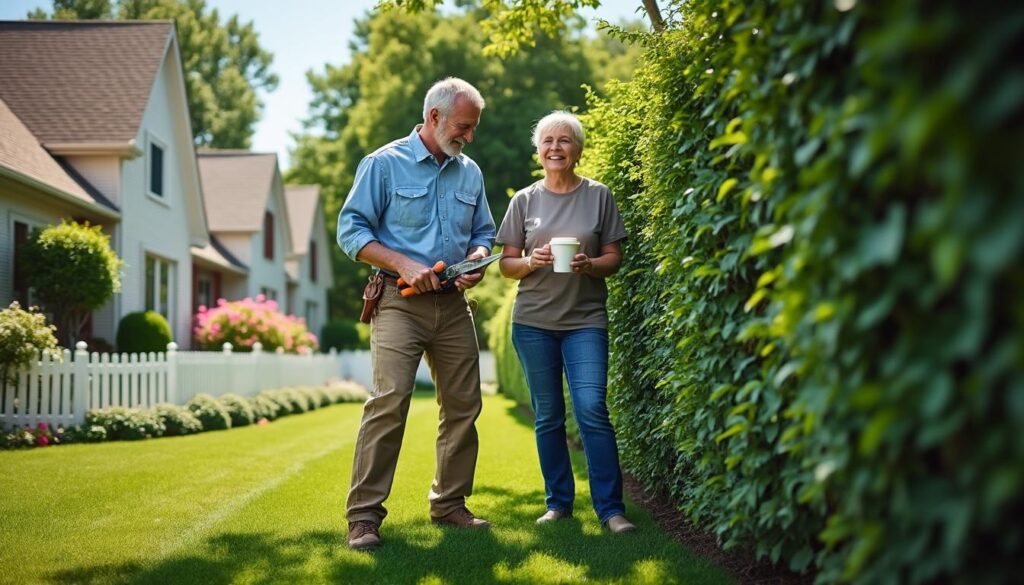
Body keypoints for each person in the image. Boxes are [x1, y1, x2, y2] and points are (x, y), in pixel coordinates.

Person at [337, 77, 496, 551]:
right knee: (389, 401)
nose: (468, 137)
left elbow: (483, 231)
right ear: (434, 118)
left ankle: (449, 503)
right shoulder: (383, 164)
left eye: (472, 129)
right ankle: (363, 517)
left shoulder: (471, 172)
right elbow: (351, 230)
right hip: (396, 299)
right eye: (463, 127)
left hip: (452, 304)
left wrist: (477, 260)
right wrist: (403, 262)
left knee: (465, 404)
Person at [496, 110, 636, 533]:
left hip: (585, 321)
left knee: (593, 408)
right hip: (534, 322)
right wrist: (530, 261)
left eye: (565, 140)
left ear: (578, 149)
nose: (555, 147)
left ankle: (611, 509)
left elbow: (614, 258)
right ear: (538, 151)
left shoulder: (599, 196)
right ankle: (558, 502)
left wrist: (589, 264)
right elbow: (505, 265)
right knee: (548, 415)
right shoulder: (523, 200)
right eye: (548, 141)